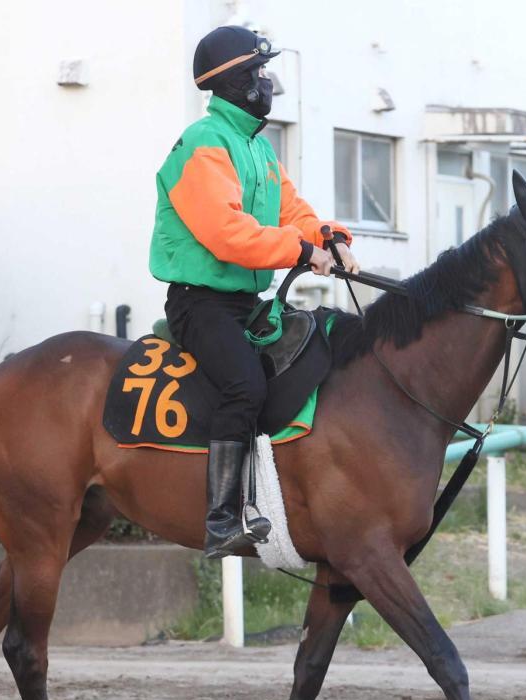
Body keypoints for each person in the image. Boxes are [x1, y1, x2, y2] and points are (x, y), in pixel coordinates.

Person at [150, 25, 360, 559]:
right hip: (200, 303)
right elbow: (227, 234)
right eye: (260, 71)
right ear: (239, 80)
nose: (267, 80)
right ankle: (221, 521)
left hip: (246, 304)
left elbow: (295, 213)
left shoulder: (257, 150)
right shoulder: (203, 144)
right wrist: (298, 251)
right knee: (244, 384)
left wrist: (327, 239)